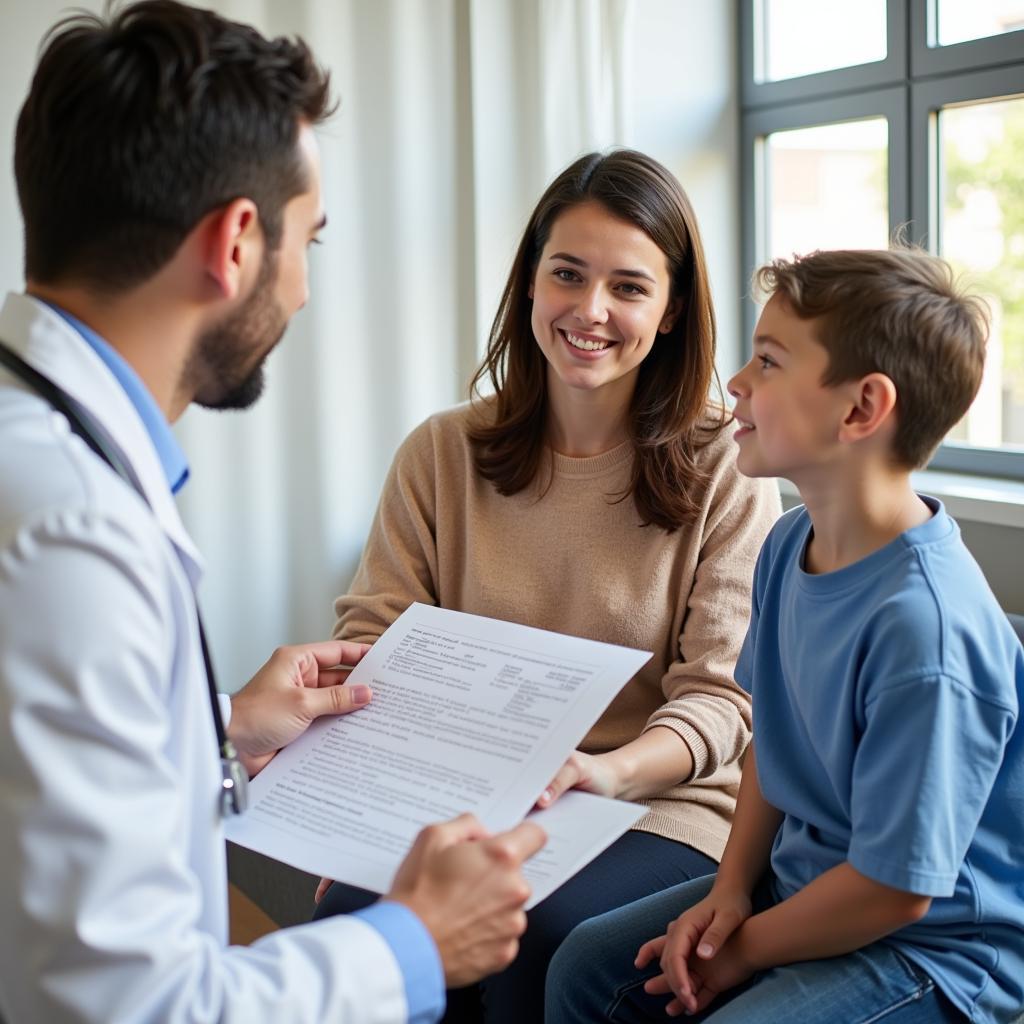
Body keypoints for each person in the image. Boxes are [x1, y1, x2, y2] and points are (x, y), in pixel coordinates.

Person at [0, 3, 545, 1022]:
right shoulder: (73, 530)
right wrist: (412, 945)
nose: (300, 291)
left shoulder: (38, 455)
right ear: (236, 242)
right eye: (311, 241)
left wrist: (221, 728)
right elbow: (125, 1003)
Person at [314, 149, 781, 1021]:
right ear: (531, 280)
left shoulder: (732, 467)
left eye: (630, 287)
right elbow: (375, 642)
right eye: (567, 273)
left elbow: (722, 701)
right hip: (466, 794)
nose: (590, 311)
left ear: (673, 308)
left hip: (656, 805)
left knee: (536, 928)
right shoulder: (441, 453)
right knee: (356, 918)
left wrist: (600, 774)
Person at [544, 247, 1024, 1024]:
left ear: (863, 409)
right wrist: (732, 890)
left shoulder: (926, 631)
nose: (736, 381)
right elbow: (772, 737)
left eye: (768, 361)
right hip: (799, 882)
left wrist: (745, 948)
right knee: (586, 972)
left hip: (929, 949)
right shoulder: (788, 543)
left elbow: (896, 888)